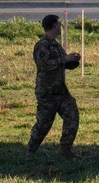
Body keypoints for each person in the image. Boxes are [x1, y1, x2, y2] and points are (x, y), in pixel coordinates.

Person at [27, 14, 81, 157]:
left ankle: (65, 149)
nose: (61, 27)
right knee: (44, 124)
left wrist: (72, 61)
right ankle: (31, 149)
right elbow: (43, 65)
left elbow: (62, 63)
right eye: (59, 24)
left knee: (72, 115)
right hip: (47, 92)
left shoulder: (56, 45)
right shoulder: (42, 45)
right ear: (55, 26)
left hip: (61, 91)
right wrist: (64, 59)